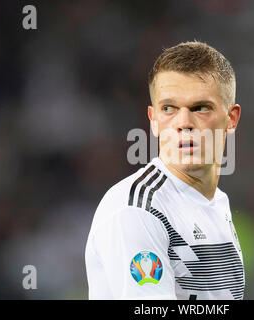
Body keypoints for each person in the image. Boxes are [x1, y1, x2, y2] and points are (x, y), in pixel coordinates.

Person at [85, 41, 243, 300]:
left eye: (200, 108)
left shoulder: (216, 203)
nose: (183, 123)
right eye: (169, 108)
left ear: (231, 118)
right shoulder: (137, 209)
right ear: (154, 120)